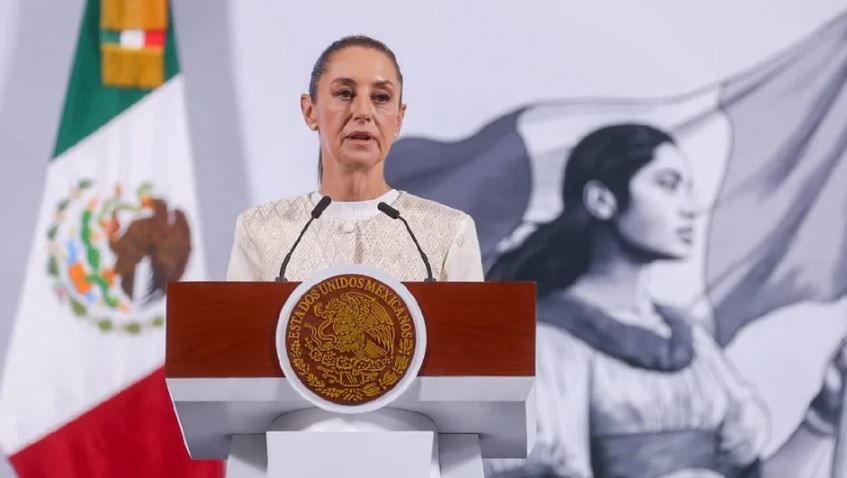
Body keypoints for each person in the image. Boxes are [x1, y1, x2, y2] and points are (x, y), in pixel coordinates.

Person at [485, 124, 847, 477]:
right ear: (601, 200)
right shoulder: (540, 340)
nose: (691, 207)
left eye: (689, 188)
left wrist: (823, 413)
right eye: (668, 184)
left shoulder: (691, 340)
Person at [226, 35, 483, 282]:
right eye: (345, 93)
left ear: (398, 119)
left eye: (381, 97)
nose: (363, 112)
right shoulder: (260, 230)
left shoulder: (449, 232)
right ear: (309, 111)